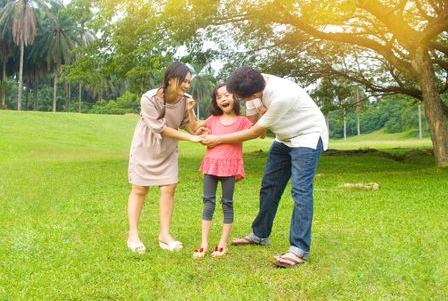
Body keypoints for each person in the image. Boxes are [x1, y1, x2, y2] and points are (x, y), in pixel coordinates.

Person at [201, 66, 328, 268]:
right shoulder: (252, 84)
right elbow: (252, 125)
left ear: (253, 94)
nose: (241, 102)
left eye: (242, 99)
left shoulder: (281, 96)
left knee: (301, 191)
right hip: (284, 138)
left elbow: (254, 133)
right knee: (269, 185)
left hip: (307, 136)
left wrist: (218, 139)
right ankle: (260, 234)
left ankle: (299, 250)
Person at [127, 62, 203, 254]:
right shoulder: (149, 98)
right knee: (139, 189)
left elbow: (193, 128)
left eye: (188, 82)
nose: (186, 85)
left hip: (168, 150)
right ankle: (133, 235)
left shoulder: (185, 100)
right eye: (183, 81)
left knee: (169, 189)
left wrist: (191, 110)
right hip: (146, 147)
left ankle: (164, 235)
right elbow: (160, 128)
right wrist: (190, 138)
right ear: (170, 79)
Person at [189, 84, 253, 259]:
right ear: (216, 102)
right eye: (219, 97)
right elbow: (195, 129)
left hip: (230, 166)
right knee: (208, 202)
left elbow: (258, 133)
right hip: (211, 165)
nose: (223, 99)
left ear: (235, 98)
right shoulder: (212, 119)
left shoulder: (242, 121)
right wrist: (190, 111)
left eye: (227, 95)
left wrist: (261, 112)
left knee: (227, 203)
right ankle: (204, 243)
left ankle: (222, 244)